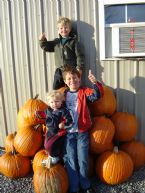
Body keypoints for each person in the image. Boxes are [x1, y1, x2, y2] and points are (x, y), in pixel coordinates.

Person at [62, 68, 104, 193]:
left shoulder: (84, 92)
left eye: (75, 77)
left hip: (82, 133)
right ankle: (74, 187)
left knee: (83, 160)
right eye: (69, 78)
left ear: (79, 79)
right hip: (68, 134)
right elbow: (53, 106)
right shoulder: (63, 95)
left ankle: (85, 185)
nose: (72, 80)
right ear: (65, 81)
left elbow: (97, 95)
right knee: (71, 160)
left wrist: (95, 83)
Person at [39, 17, 84, 90]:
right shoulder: (56, 42)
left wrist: (79, 68)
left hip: (71, 70)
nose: (64, 30)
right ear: (58, 30)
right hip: (59, 70)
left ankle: (72, 100)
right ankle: (58, 101)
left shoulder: (74, 42)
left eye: (66, 27)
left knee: (72, 88)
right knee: (56, 88)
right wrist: (42, 40)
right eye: (61, 28)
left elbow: (79, 56)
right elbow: (46, 47)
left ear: (70, 29)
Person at [36, 90, 73, 165]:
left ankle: (55, 157)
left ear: (61, 101)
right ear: (49, 103)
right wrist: (39, 114)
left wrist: (64, 124)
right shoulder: (48, 110)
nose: (54, 104)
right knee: (46, 145)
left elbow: (70, 121)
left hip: (58, 132)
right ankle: (50, 157)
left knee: (52, 145)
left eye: (57, 101)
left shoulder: (63, 111)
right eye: (52, 102)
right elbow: (44, 115)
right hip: (50, 131)